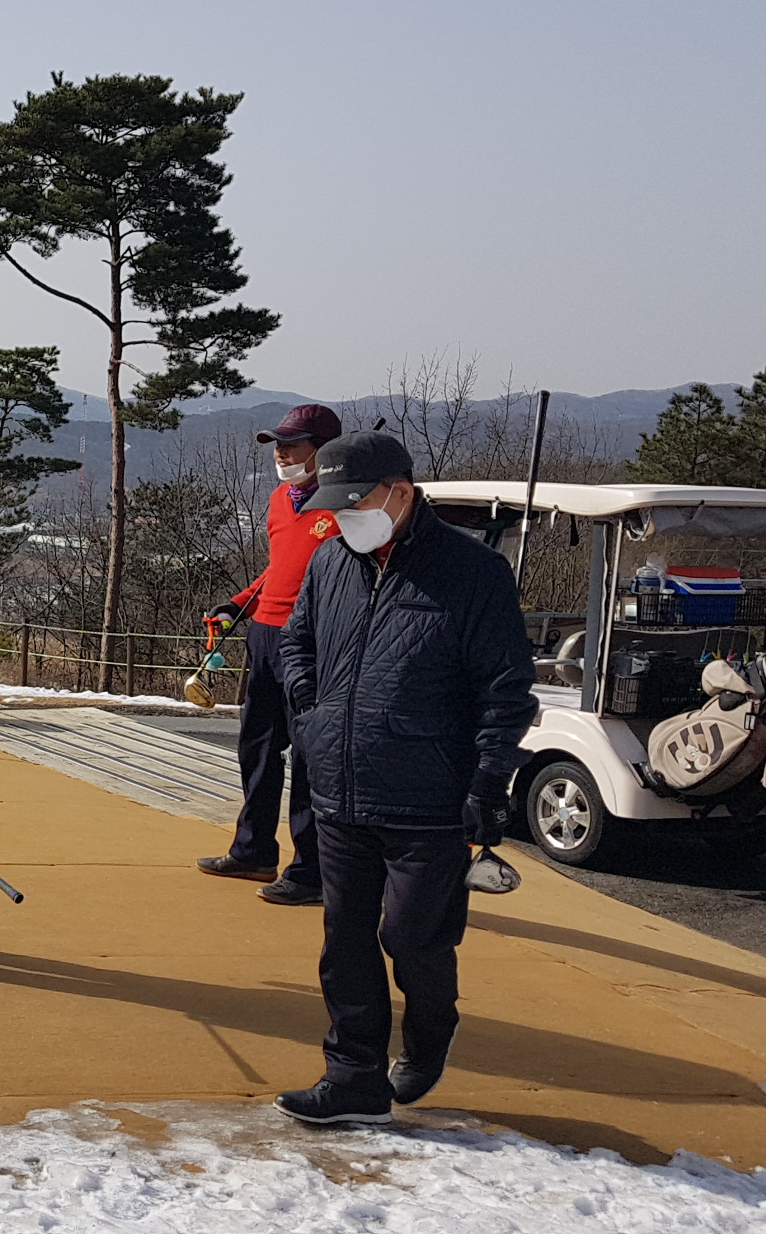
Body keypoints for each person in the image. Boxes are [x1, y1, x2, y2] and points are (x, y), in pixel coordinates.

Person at [273, 430, 537, 1123]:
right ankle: (353, 1077)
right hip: (338, 785)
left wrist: (488, 782)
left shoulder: (473, 572)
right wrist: (311, 706)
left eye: (354, 502)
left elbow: (507, 689)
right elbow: (297, 639)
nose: (342, 517)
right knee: (345, 941)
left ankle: (428, 1037)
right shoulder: (332, 560)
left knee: (414, 939)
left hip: (429, 795)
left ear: (401, 493)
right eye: (333, 506)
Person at [197, 402, 343, 906]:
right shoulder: (281, 498)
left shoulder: (347, 506)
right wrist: (238, 603)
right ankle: (253, 850)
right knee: (256, 745)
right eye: (277, 445)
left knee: (308, 755)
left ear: (323, 450)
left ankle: (310, 873)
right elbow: (278, 569)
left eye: (292, 445)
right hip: (264, 634)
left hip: (315, 641)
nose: (280, 453)